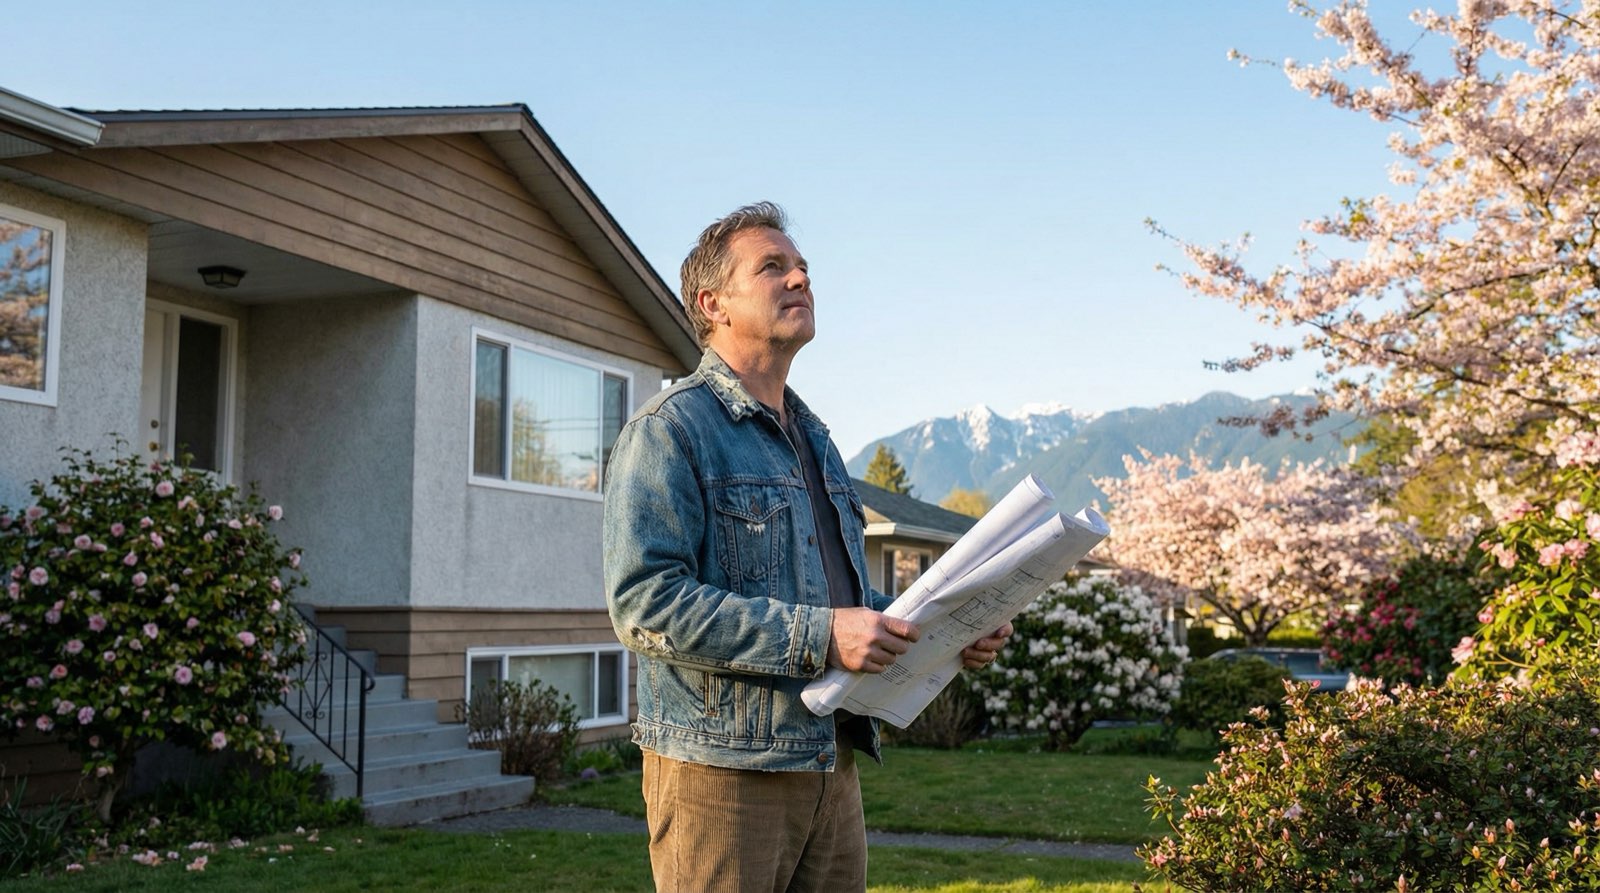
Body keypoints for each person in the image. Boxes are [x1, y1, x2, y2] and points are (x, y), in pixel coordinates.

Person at [603, 202, 1010, 893]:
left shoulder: (815, 439)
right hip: (723, 775)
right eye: (773, 267)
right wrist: (822, 636)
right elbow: (645, 603)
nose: (800, 278)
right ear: (712, 304)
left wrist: (948, 626)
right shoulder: (670, 430)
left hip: (829, 761)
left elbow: (834, 594)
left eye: (803, 267)